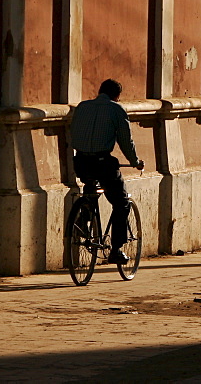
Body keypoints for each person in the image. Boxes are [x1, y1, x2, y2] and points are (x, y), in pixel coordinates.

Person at [70, 78, 145, 264]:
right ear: (117, 96)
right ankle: (117, 249)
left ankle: (84, 217)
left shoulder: (82, 107)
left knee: (91, 187)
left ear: (100, 90)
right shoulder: (115, 109)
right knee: (121, 202)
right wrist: (135, 162)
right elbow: (126, 141)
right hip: (102, 162)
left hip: (80, 161)